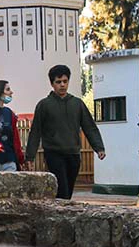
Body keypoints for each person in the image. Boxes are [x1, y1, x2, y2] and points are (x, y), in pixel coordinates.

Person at [25, 65, 106, 199]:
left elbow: (89, 127)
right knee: (62, 189)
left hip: (73, 154)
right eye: (58, 82)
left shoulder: (77, 104)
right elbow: (35, 131)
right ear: (52, 84)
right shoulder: (44, 105)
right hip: (54, 153)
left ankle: (62, 215)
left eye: (65, 81)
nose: (62, 85)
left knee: (68, 191)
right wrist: (30, 156)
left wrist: (99, 147)